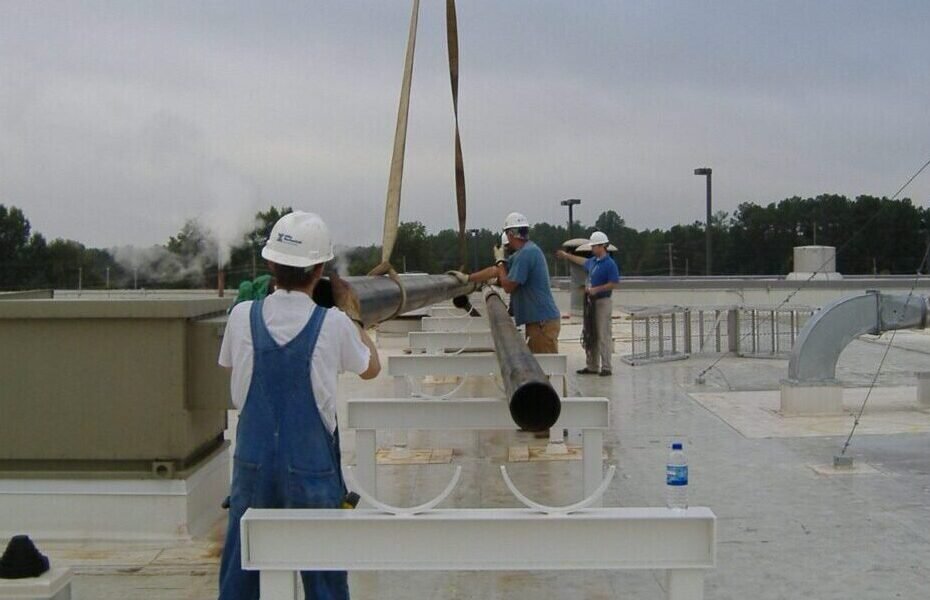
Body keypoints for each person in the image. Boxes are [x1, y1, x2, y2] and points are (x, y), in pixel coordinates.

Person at [217, 211, 380, 600]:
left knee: (241, 574)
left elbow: (231, 369)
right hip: (312, 472)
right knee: (324, 578)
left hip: (252, 467)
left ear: (271, 263)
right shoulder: (335, 324)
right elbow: (371, 368)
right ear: (320, 268)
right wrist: (351, 312)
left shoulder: (241, 317)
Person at [466, 212, 561, 354]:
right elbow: (495, 271)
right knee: (542, 367)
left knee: (544, 369)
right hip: (539, 320)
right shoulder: (524, 252)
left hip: (542, 322)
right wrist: (468, 278)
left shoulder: (526, 254)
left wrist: (499, 262)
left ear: (510, 234)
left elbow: (508, 286)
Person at [556, 231, 620, 376]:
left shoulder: (609, 264)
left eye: (594, 246)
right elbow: (582, 261)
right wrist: (567, 256)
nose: (591, 249)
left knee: (603, 334)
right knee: (591, 333)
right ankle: (592, 365)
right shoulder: (594, 262)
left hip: (602, 302)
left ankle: (606, 367)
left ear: (602, 246)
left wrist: (596, 289)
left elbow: (614, 283)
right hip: (591, 302)